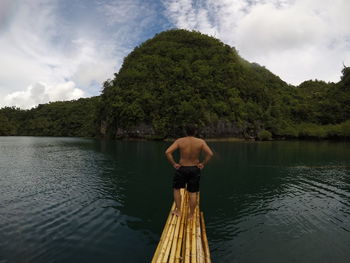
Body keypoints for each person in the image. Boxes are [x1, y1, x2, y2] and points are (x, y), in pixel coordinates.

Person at [165, 125, 213, 220]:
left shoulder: (180, 141)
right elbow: (210, 154)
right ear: (195, 132)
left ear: (185, 132)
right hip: (194, 169)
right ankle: (191, 215)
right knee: (193, 192)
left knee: (177, 189)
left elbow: (167, 152)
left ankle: (178, 210)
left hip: (182, 168)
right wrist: (203, 164)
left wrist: (174, 164)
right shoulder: (200, 142)